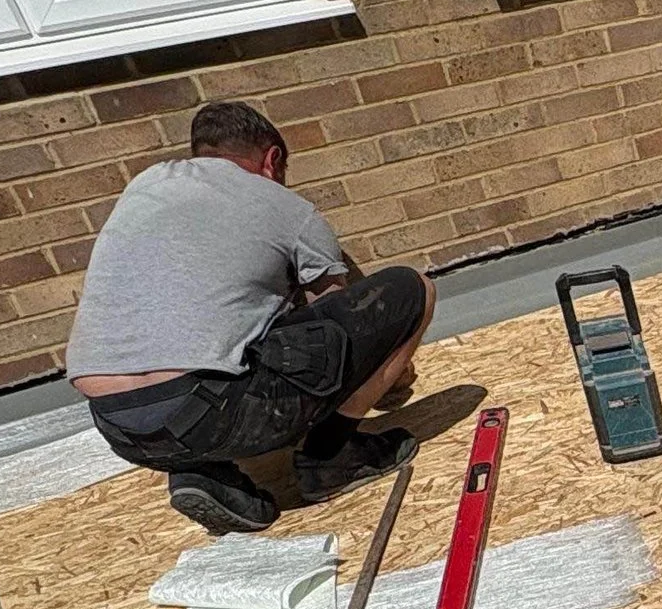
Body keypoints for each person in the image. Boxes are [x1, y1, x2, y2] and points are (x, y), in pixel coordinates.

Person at [66, 100, 434, 533]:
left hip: (119, 427)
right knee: (414, 289)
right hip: (212, 409)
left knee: (216, 345)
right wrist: (390, 366)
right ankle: (332, 457)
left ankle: (205, 474)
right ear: (272, 160)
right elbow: (335, 315)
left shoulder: (145, 187)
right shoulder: (284, 205)